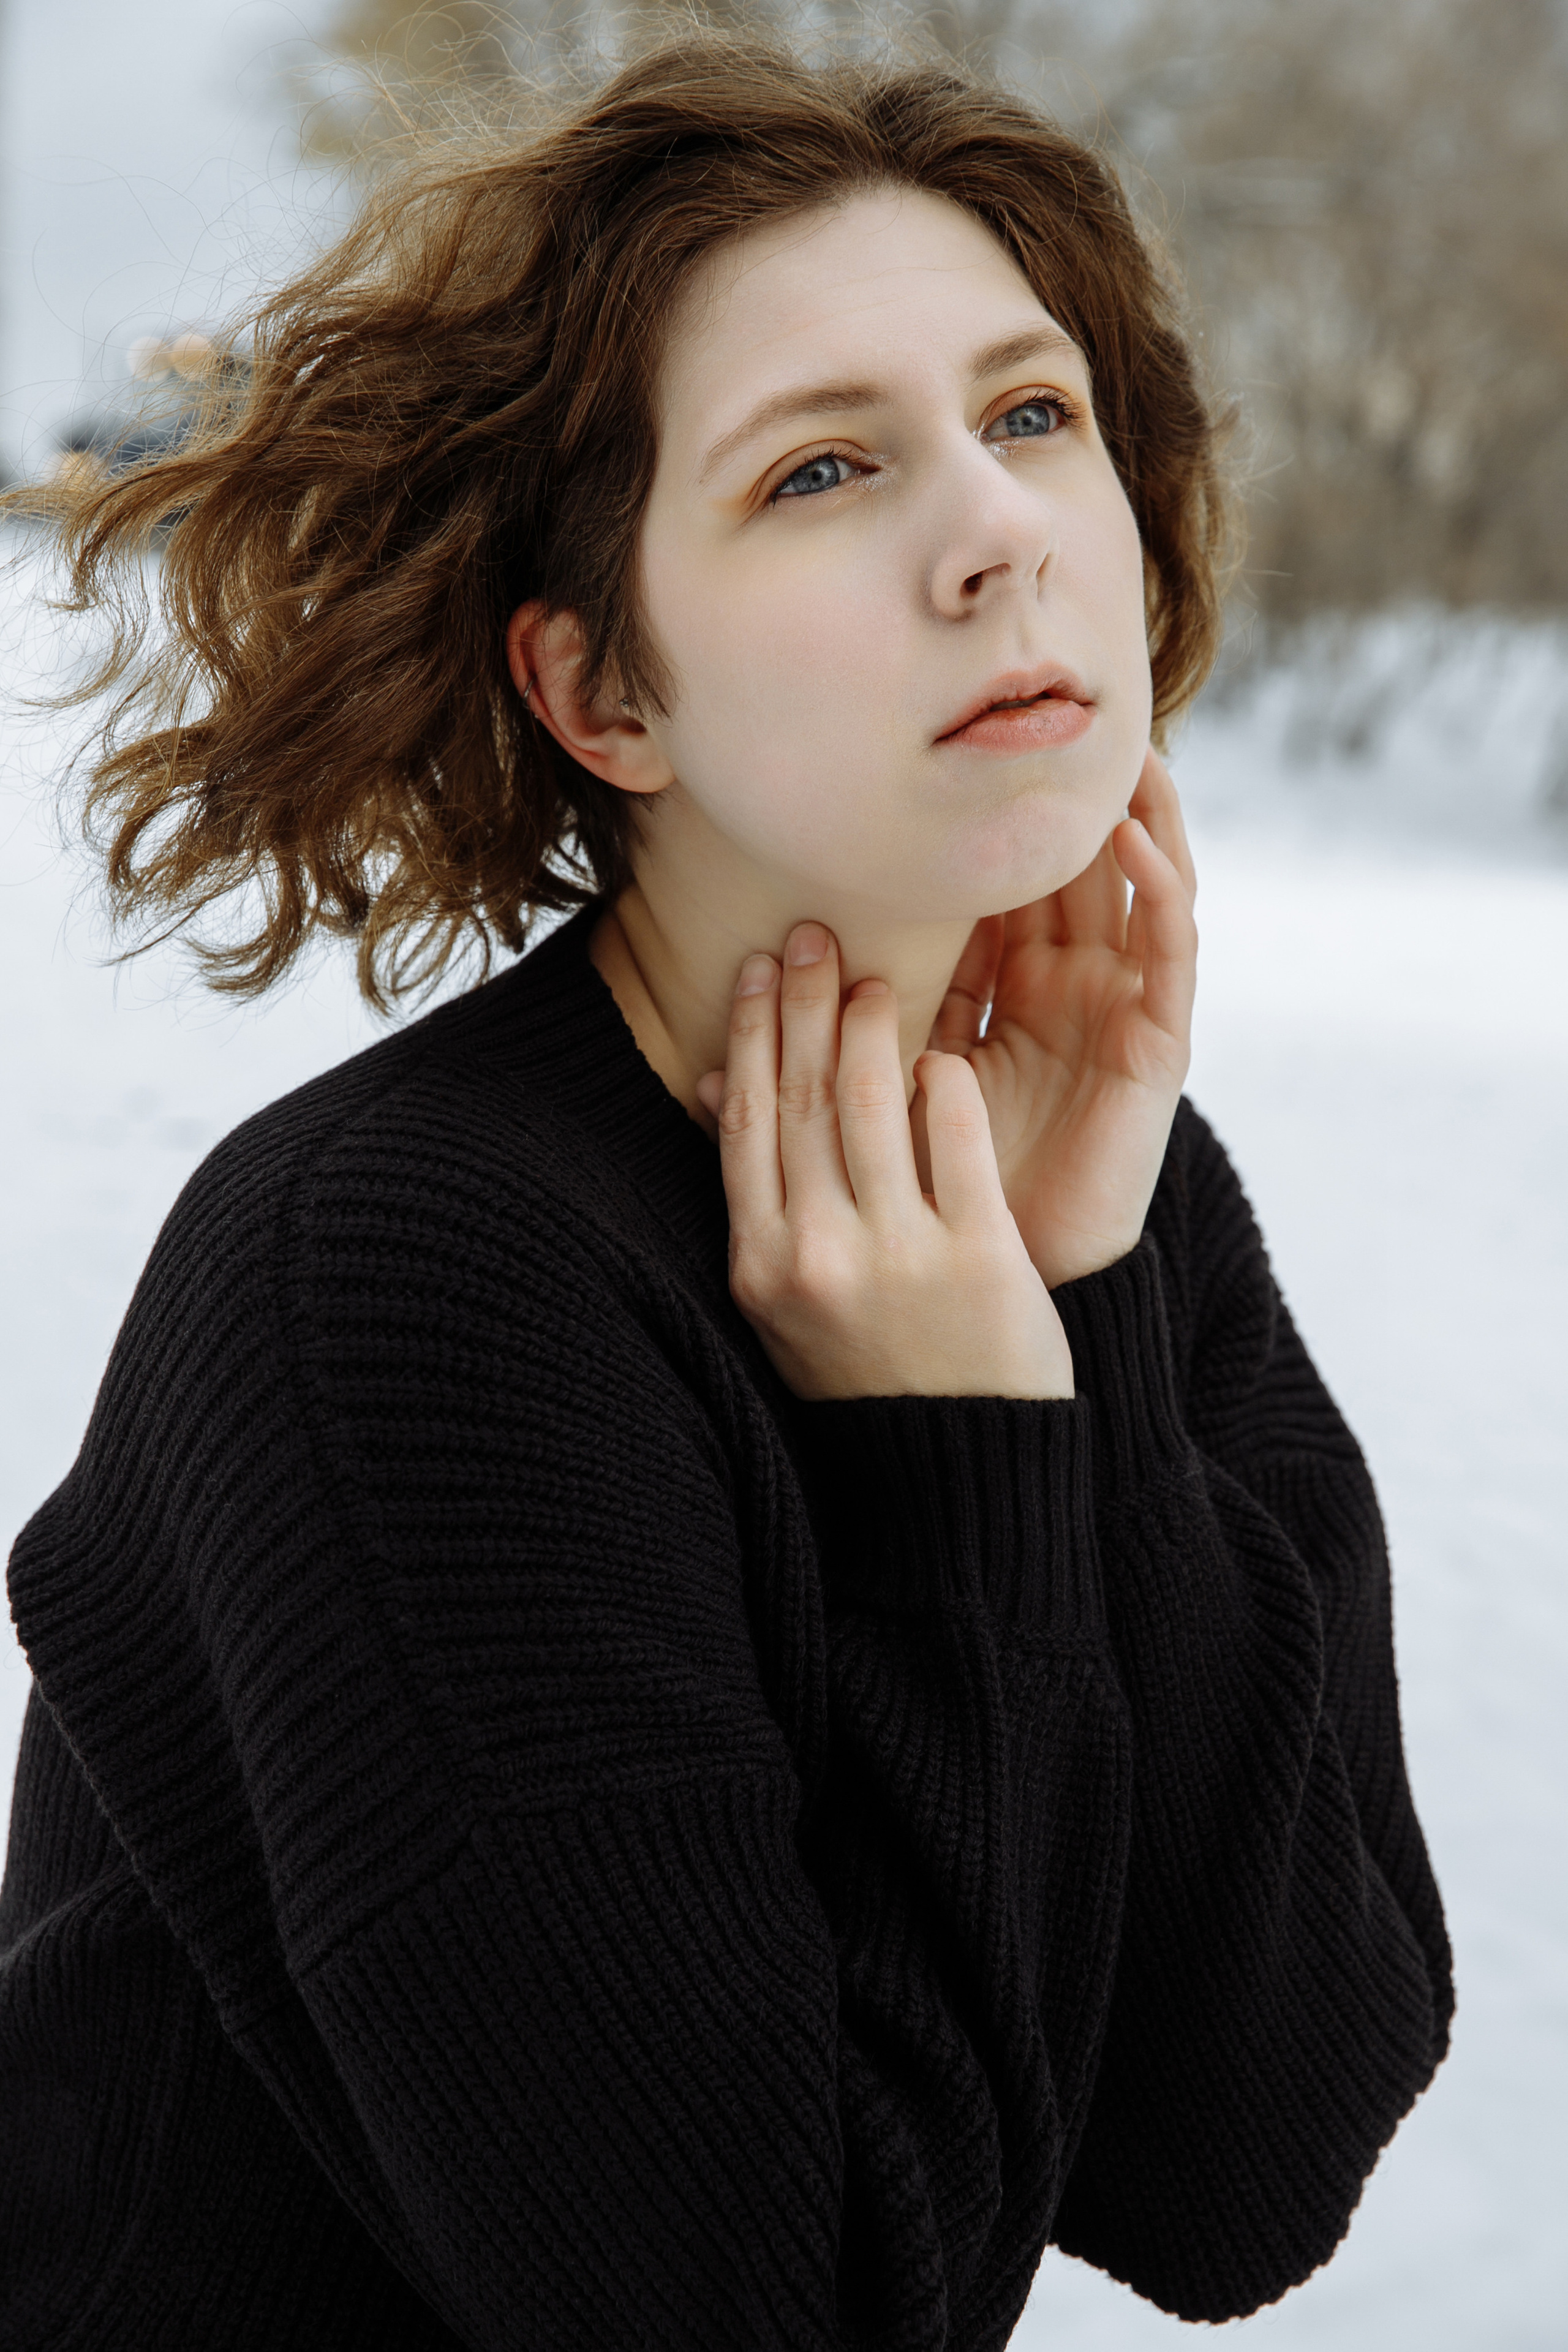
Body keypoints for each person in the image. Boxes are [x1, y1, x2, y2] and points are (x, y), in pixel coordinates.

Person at [0, 37, 1451, 2351]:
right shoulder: (397, 1280)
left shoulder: (1104, 1202)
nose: (993, 528)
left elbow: (1251, 2159)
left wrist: (1072, 1329)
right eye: (824, 468)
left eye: (1034, 415)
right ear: (604, 692)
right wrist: (966, 1465)